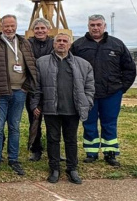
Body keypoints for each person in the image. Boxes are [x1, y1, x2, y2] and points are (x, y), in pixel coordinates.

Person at [71, 14, 136, 166]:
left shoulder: (116, 44)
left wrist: (121, 88)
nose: (95, 27)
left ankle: (110, 152)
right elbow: (70, 67)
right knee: (89, 122)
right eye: (92, 25)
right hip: (88, 94)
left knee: (109, 123)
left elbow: (129, 68)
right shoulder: (79, 45)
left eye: (98, 25)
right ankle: (91, 152)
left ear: (104, 26)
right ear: (88, 27)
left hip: (111, 93)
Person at [31, 30, 94, 184]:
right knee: (53, 139)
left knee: (71, 140)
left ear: (70, 44)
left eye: (65, 41)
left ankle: (72, 168)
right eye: (59, 41)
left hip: (72, 109)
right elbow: (36, 87)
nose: (61, 43)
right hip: (51, 109)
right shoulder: (42, 62)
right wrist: (35, 104)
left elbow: (89, 87)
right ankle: (54, 169)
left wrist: (87, 102)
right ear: (54, 43)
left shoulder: (83, 64)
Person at [0, 15, 38, 175]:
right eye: (6, 26)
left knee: (15, 127)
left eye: (12, 26)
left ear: (16, 25)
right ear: (1, 27)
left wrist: (27, 86)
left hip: (20, 92)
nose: (10, 29)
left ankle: (14, 159)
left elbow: (32, 65)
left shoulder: (25, 43)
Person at [26, 18, 54, 162]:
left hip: (51, 87)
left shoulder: (54, 43)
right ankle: (36, 149)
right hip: (32, 87)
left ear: (48, 30)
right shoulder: (27, 44)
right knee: (35, 120)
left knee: (53, 122)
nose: (40, 31)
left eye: (43, 28)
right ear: (33, 30)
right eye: (37, 28)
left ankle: (53, 149)